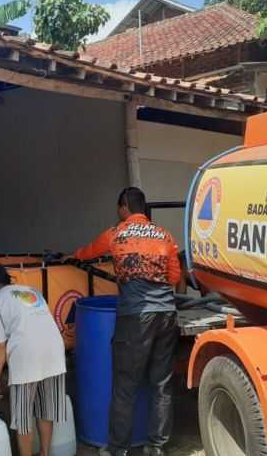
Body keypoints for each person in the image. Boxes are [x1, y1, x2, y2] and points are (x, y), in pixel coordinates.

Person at [72, 187, 181, 456]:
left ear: (124, 208)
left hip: (135, 317)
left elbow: (88, 252)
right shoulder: (165, 235)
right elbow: (175, 276)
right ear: (143, 209)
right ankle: (156, 447)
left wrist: (73, 255)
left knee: (125, 385)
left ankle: (118, 449)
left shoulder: (116, 233)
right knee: (162, 384)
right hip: (167, 315)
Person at [0, 262, 67, 456]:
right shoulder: (30, 291)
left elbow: (0, 347)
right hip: (55, 352)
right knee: (46, 411)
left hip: (27, 356)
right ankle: (45, 453)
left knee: (23, 419)